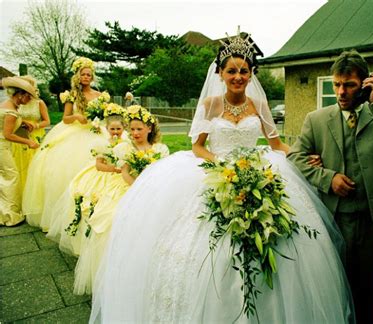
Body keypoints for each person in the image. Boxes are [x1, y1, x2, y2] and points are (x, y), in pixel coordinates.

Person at [90, 31, 354, 323]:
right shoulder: (211, 105)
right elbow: (198, 146)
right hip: (217, 172)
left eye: (244, 71)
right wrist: (222, 166)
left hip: (258, 169)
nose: (238, 76)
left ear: (251, 74)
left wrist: (300, 158)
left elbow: (276, 144)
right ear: (220, 73)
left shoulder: (259, 106)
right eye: (231, 71)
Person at [288, 49, 373, 324]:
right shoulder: (317, 119)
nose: (341, 92)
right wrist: (328, 177)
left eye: (349, 85)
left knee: (367, 288)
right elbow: (294, 158)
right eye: (336, 84)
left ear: (364, 84)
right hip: (334, 218)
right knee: (335, 286)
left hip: (372, 219)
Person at [74, 105, 169, 295]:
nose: (134, 133)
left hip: (152, 187)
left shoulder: (160, 148)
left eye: (139, 129)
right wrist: (138, 188)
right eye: (132, 129)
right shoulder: (124, 147)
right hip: (127, 185)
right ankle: (114, 276)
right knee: (113, 219)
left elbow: (162, 173)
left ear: (149, 128)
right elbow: (124, 172)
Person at [23, 57, 109, 232]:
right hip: (75, 133)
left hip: (95, 132)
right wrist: (77, 117)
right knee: (63, 171)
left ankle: (96, 209)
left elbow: (106, 116)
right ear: (78, 75)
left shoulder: (100, 96)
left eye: (89, 75)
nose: (86, 77)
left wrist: (98, 122)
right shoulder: (72, 95)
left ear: (92, 77)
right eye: (83, 74)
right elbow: (66, 118)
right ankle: (63, 215)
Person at [46, 104, 128, 256]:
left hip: (121, 174)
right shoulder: (102, 143)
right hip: (106, 173)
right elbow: (99, 166)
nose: (115, 132)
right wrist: (114, 169)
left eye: (118, 129)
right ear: (107, 129)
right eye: (112, 129)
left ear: (124, 128)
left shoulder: (127, 143)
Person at [0, 76, 39, 226]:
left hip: (3, 146)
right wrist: (28, 142)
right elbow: (8, 134)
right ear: (20, 94)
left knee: (6, 177)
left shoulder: (9, 106)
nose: (29, 100)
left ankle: (5, 212)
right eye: (28, 96)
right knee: (12, 177)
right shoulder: (11, 112)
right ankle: (10, 216)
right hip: (2, 146)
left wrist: (23, 122)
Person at [11, 75, 50, 198]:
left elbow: (47, 121)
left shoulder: (39, 103)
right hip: (20, 136)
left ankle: (35, 196)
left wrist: (35, 125)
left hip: (36, 135)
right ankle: (20, 195)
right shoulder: (17, 103)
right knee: (19, 166)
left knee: (35, 166)